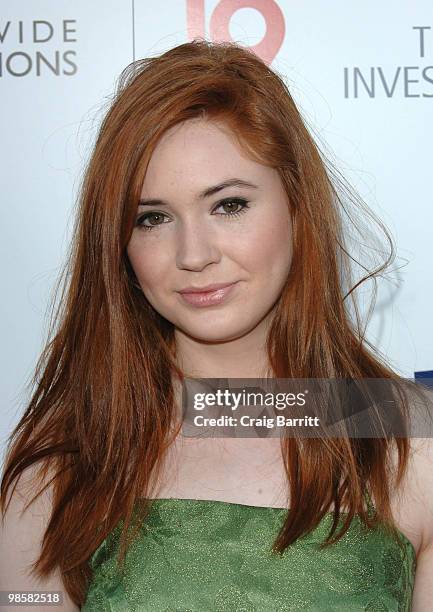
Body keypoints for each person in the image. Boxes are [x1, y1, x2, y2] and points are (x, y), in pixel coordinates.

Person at [1, 39, 432, 611]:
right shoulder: (63, 466)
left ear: (298, 208)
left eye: (228, 204)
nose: (194, 254)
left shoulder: (409, 441)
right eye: (152, 218)